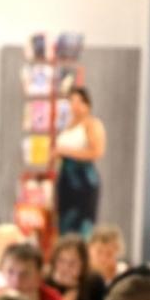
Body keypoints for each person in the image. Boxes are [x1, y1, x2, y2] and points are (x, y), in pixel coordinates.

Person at [54, 85, 107, 235]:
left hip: (83, 179)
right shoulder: (68, 125)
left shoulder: (92, 124)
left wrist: (67, 152)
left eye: (79, 102)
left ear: (87, 104)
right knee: (64, 222)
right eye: (72, 101)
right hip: (66, 178)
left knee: (82, 223)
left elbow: (97, 151)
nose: (75, 106)